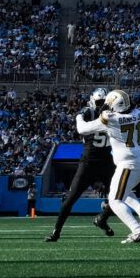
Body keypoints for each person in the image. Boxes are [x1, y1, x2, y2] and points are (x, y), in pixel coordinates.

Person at [77, 88, 140, 243]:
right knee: (123, 194)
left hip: (128, 164)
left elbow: (82, 129)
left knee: (114, 200)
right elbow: (132, 110)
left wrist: (79, 116)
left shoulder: (111, 118)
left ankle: (138, 231)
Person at [45, 88, 117, 242]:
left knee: (119, 197)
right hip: (94, 161)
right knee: (70, 199)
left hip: (101, 160)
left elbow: (81, 124)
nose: (100, 106)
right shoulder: (105, 113)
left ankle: (102, 220)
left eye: (103, 103)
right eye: (99, 103)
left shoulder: (91, 112)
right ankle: (56, 231)